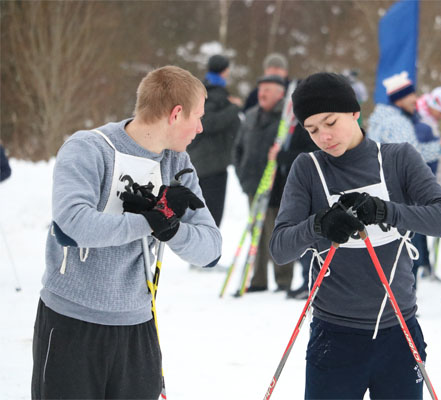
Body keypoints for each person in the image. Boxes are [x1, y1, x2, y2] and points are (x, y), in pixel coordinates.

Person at [31, 65, 222, 399]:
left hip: (137, 328)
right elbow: (71, 226)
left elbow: (210, 250)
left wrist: (169, 226)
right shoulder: (89, 148)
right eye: (198, 117)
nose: (201, 127)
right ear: (176, 114)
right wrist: (150, 221)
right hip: (71, 324)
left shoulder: (177, 164)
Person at [270, 72, 441, 399]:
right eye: (312, 129)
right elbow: (279, 249)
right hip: (334, 338)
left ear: (355, 111)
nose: (324, 137)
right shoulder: (309, 169)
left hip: (399, 334)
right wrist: (319, 224)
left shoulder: (398, 158)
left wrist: (388, 211)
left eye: (330, 122)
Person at [369, 72, 441, 282]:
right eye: (411, 95)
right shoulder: (398, 123)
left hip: (382, 192)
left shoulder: (380, 117)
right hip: (397, 194)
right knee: (404, 252)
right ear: (399, 98)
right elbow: (411, 157)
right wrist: (440, 147)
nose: (416, 100)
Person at [233, 75, 295, 292]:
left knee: (277, 232)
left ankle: (283, 279)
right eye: (260, 89)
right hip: (253, 184)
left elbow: (295, 151)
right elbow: (238, 148)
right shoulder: (250, 116)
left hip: (278, 187)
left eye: (268, 89)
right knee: (256, 234)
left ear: (280, 94)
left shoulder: (287, 119)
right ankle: (258, 280)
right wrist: (243, 176)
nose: (262, 94)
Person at [187, 54, 241, 229]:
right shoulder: (214, 94)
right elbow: (208, 122)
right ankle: (208, 255)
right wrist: (233, 108)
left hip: (203, 162)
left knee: (204, 217)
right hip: (212, 166)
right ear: (224, 71)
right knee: (210, 220)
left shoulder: (205, 91)